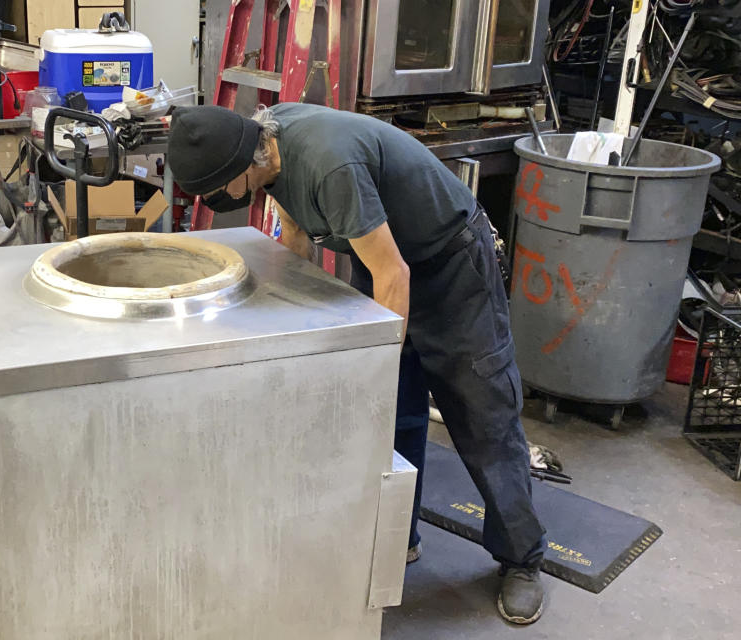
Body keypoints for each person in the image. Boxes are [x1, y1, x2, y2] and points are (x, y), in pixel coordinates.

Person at [166, 103, 547, 625]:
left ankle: (522, 559)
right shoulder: (268, 149)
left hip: (450, 267)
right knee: (392, 414)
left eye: (215, 191)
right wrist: (285, 327)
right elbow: (298, 241)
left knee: (483, 417)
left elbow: (395, 274)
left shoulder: (329, 164)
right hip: (387, 260)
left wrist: (376, 364)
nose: (215, 202)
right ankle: (398, 538)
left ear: (241, 170)